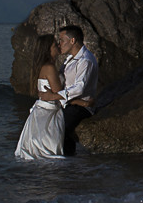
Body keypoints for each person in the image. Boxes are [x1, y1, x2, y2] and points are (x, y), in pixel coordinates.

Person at [39, 24, 99, 156]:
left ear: (72, 41)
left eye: (61, 41)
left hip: (81, 107)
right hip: (68, 102)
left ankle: (66, 160)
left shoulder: (85, 60)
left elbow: (79, 88)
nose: (59, 44)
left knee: (61, 128)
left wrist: (53, 97)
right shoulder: (69, 59)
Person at [14, 35, 65, 159]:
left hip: (41, 109)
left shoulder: (42, 66)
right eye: (54, 45)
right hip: (50, 110)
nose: (58, 46)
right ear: (48, 50)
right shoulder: (49, 68)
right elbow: (59, 92)